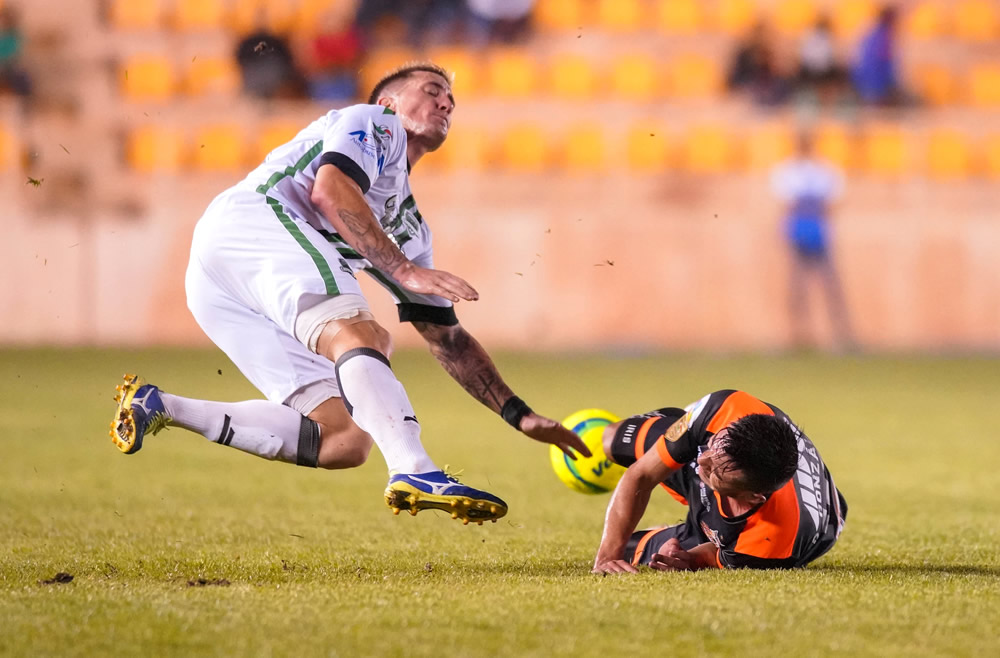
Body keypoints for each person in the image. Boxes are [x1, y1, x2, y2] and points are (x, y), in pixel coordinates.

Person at [109, 63, 589, 526]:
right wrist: (401, 269)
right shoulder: (374, 122)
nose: (445, 101)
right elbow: (331, 190)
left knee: (344, 439)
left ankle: (161, 405)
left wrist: (517, 414)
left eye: (452, 99)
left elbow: (448, 340)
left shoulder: (411, 227)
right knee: (365, 335)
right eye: (430, 89)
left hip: (218, 286)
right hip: (254, 221)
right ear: (388, 101)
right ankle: (416, 469)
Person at [592, 390, 847, 572]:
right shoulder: (725, 410)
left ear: (752, 496)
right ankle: (684, 432)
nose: (702, 462)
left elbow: (712, 556)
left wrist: (686, 559)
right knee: (612, 439)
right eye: (713, 447)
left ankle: (687, 525)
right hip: (724, 456)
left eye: (717, 470)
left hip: (748, 527)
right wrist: (605, 558)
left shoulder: (769, 544)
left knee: (631, 552)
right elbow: (642, 474)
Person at [771, 131, 854, 350]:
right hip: (801, 231)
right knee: (799, 288)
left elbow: (832, 201)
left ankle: (841, 337)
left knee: (829, 287)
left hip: (817, 232)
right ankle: (800, 337)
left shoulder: (822, 171)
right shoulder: (789, 171)